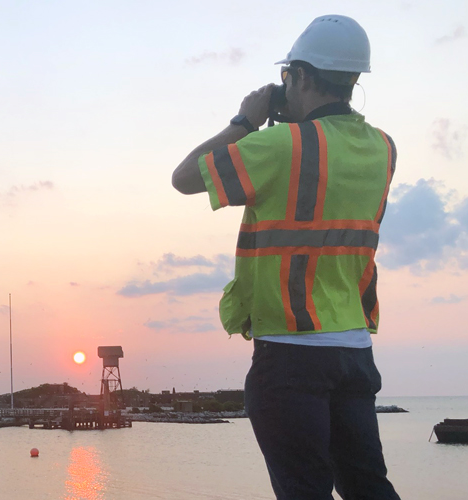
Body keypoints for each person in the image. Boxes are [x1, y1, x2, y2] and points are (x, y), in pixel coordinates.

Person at [171, 15, 401, 500]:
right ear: (353, 80)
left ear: (299, 75)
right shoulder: (383, 148)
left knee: (303, 490)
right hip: (355, 350)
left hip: (291, 354)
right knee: (367, 486)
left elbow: (186, 177)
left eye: (286, 78)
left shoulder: (279, 145)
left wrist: (245, 121)